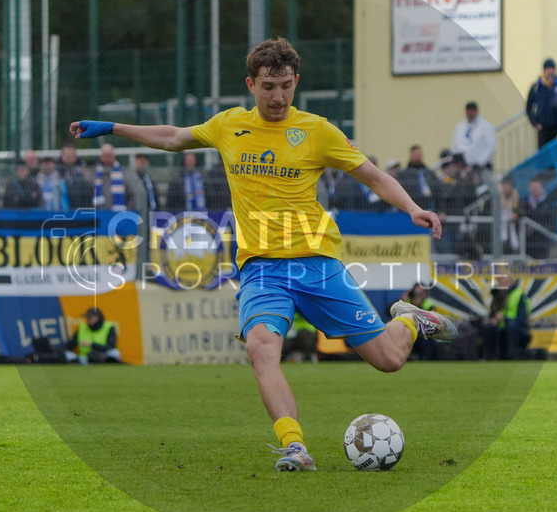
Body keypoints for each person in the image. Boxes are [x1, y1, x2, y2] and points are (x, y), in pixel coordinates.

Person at [69, 37, 456, 472]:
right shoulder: (229, 125)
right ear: (251, 84)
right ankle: (294, 446)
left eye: (287, 86)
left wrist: (412, 207)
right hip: (262, 269)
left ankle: (409, 319)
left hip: (316, 262)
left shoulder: (317, 131)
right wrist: (113, 128)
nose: (278, 97)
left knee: (389, 360)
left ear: (296, 83)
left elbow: (371, 175)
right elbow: (175, 137)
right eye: (269, 86)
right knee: (260, 346)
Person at [521, 177, 557, 259]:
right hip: (527, 245)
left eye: (536, 187)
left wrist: (536, 228)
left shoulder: (548, 204)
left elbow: (553, 226)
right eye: (532, 188)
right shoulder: (524, 204)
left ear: (542, 188)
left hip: (542, 244)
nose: (534, 190)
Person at [527, 59, 557, 147]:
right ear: (544, 71)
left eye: (552, 69)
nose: (550, 71)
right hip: (543, 129)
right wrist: (535, 123)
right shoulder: (536, 87)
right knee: (544, 156)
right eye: (548, 69)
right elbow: (528, 107)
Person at [450, 101, 496, 169]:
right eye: (468, 111)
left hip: (481, 166)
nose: (470, 113)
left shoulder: (486, 126)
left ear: (476, 111)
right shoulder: (460, 126)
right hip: (463, 166)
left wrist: (480, 161)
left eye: (472, 111)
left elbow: (491, 146)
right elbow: (455, 144)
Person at [396, 145, 439, 211]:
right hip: (408, 208)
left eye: (419, 154)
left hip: (427, 206)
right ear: (410, 156)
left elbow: (437, 189)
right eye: (415, 154)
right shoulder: (403, 174)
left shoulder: (429, 173)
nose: (417, 157)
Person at [92, 143, 133, 210]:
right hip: (99, 211)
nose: (108, 157)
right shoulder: (93, 172)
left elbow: (130, 192)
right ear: (101, 156)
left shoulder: (123, 172)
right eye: (105, 155)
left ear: (114, 156)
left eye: (110, 155)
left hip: (120, 210)